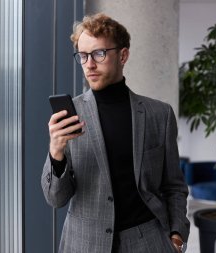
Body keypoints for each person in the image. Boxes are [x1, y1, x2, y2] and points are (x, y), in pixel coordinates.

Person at [42, 13, 189, 253]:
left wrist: (177, 235)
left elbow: (174, 185)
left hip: (148, 241)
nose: (89, 64)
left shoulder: (159, 114)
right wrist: (56, 152)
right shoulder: (70, 116)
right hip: (84, 243)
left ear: (123, 55)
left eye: (99, 54)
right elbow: (55, 199)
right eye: (83, 56)